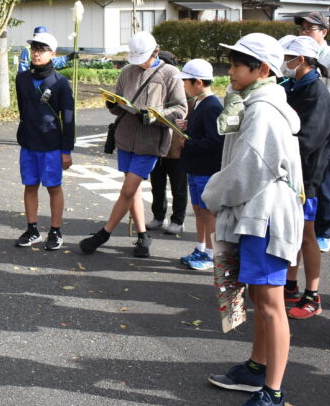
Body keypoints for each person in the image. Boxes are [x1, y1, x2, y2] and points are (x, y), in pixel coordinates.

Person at [203, 33, 304, 406]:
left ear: (263, 69)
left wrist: (213, 195)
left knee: (270, 304)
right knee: (263, 299)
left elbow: (247, 171)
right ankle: (257, 368)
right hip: (256, 213)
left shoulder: (263, 112)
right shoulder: (255, 103)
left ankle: (273, 393)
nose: (230, 69)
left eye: (238, 63)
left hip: (265, 215)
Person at [79, 32, 186, 258]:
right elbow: (119, 102)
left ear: (156, 52)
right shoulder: (127, 71)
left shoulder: (170, 73)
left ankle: (103, 234)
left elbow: (180, 109)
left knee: (127, 189)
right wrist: (112, 104)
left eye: (144, 58)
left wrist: (154, 115)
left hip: (151, 142)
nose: (140, 64)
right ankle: (142, 235)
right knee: (133, 190)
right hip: (126, 138)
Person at [278, 36, 330, 320]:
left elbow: (308, 140)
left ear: (301, 61)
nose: (284, 63)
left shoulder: (316, 93)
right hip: (292, 171)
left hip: (307, 175)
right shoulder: (293, 86)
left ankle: (313, 294)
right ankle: (290, 283)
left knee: (307, 235)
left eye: (288, 57)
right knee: (293, 232)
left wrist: (277, 147)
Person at [294, 12, 330, 252]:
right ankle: (305, 226)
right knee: (304, 179)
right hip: (301, 126)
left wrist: (316, 113)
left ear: (324, 32)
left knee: (324, 181)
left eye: (311, 28)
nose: (305, 31)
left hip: (327, 127)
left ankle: (324, 231)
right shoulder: (300, 53)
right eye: (303, 28)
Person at [15, 32, 75, 250]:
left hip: (51, 144)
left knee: (53, 187)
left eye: (41, 49)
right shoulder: (21, 78)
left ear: (53, 53)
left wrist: (66, 150)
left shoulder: (60, 82)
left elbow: (68, 119)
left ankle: (56, 231)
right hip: (28, 142)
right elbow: (24, 108)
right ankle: (32, 230)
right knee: (29, 185)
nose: (36, 53)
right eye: (34, 49)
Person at [177, 58, 223, 271]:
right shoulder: (200, 103)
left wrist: (189, 142)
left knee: (208, 212)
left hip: (206, 169)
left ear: (197, 82)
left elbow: (215, 141)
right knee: (198, 210)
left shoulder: (212, 106)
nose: (183, 86)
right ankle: (201, 248)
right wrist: (188, 127)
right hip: (196, 168)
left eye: (185, 82)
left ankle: (212, 255)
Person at [147, 51, 188, 235]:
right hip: (156, 142)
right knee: (157, 183)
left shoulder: (182, 86)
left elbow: (185, 112)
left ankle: (178, 220)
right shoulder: (151, 84)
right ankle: (158, 217)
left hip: (176, 145)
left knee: (178, 185)